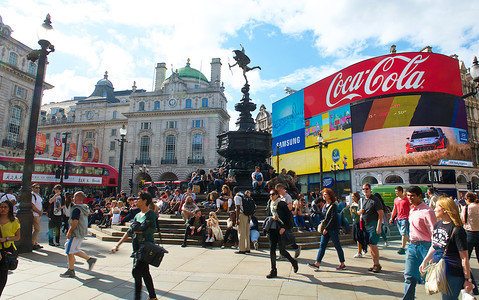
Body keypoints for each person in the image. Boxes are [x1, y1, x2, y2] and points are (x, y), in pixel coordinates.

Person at [420, 196, 474, 300]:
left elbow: (464, 258)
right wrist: (425, 261)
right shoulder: (438, 224)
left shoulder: (457, 230)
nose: (434, 209)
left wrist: (468, 279)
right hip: (440, 268)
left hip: (453, 271)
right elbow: (434, 245)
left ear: (445, 209)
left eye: (437, 207)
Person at [111, 191, 158, 300]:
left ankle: (137, 297)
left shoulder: (150, 213)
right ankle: (152, 297)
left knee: (136, 271)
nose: (136, 201)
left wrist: (141, 230)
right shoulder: (137, 214)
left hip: (145, 247)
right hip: (136, 247)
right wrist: (117, 245)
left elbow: (152, 229)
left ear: (145, 201)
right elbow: (129, 231)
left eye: (138, 199)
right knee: (145, 273)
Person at [402, 186, 437, 300]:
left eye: (412, 195)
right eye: (408, 195)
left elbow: (433, 233)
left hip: (425, 246)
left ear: (419, 196)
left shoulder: (428, 211)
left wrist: (432, 253)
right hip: (412, 246)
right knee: (409, 275)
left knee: (432, 275)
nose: (410, 198)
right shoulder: (412, 210)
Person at [60, 191, 97, 278]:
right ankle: (90, 259)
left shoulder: (76, 209)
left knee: (69, 250)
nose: (72, 198)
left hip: (76, 232)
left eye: (73, 197)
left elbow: (75, 222)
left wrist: (69, 231)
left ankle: (71, 270)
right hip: (81, 232)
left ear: (76, 198)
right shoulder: (84, 207)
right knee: (74, 249)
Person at [307, 188, 346, 271]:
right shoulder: (325, 205)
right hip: (327, 228)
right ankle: (317, 263)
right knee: (322, 246)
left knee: (337, 246)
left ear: (329, 195)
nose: (323, 196)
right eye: (323, 194)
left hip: (332, 229)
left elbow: (333, 218)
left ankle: (342, 263)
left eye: (325, 194)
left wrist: (327, 228)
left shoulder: (333, 205)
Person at [266, 189, 298, 278]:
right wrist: (272, 219)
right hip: (272, 229)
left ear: (277, 195)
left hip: (280, 230)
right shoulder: (270, 204)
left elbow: (289, 217)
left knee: (282, 251)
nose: (271, 196)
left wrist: (284, 227)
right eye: (270, 195)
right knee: (272, 250)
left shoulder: (282, 204)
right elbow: (268, 215)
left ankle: (293, 262)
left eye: (272, 194)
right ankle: (273, 270)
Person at [358, 183, 383, 273]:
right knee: (370, 246)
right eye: (363, 189)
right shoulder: (362, 200)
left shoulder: (375, 200)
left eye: (367, 189)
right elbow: (358, 212)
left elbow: (381, 213)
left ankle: (377, 264)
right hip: (365, 226)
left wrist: (379, 226)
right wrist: (359, 212)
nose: (365, 191)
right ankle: (375, 264)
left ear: (370, 189)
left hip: (373, 225)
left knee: (373, 245)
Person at [0, 200, 20, 297]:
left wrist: (6, 239)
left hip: (6, 250)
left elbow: (17, 237)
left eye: (5, 207)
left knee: (2, 275)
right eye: (1, 207)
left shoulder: (14, 221)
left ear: (9, 209)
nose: (3, 209)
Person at [275, 183, 301, 258]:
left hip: (286, 219)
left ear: (282, 188)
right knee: (282, 237)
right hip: (281, 219)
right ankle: (285, 252)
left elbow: (289, 208)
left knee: (286, 236)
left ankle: (294, 247)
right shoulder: (280, 197)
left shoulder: (287, 197)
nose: (278, 192)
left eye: (279, 190)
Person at [390, 186, 410, 255]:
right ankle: (411, 243)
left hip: (405, 218)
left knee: (403, 233)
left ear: (401, 191)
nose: (395, 193)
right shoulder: (396, 200)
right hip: (398, 218)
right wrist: (391, 218)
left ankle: (402, 248)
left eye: (397, 191)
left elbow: (410, 208)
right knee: (404, 233)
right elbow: (394, 209)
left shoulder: (406, 199)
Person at [462, 192, 479, 263]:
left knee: (466, 255)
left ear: (467, 199)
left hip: (469, 232)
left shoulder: (466, 208)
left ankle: (466, 272)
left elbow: (463, 220)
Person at [350, 192, 367, 258]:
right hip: (354, 221)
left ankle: (360, 251)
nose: (352, 198)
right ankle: (363, 247)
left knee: (359, 237)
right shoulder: (352, 205)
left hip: (360, 221)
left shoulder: (360, 204)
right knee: (354, 237)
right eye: (352, 196)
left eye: (353, 196)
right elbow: (351, 214)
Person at [235, 188, 251, 254]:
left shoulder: (237, 197)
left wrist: (237, 218)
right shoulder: (245, 196)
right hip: (247, 215)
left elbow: (238, 208)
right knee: (247, 232)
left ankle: (242, 249)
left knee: (241, 232)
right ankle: (247, 248)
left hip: (241, 214)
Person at [31, 183, 43, 250]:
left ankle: (35, 242)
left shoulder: (38, 195)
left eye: (38, 188)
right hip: (35, 214)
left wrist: (41, 211)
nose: (38, 189)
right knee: (37, 229)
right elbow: (33, 206)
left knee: (37, 229)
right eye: (36, 188)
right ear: (32, 188)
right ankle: (33, 243)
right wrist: (39, 211)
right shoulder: (32, 195)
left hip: (38, 214)